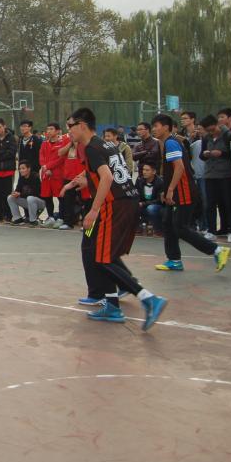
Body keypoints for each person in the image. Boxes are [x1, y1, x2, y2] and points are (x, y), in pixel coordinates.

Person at [62, 108, 168, 329]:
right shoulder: (105, 144)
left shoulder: (91, 147)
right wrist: (79, 182)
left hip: (115, 205)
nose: (68, 130)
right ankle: (112, 305)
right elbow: (107, 173)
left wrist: (93, 210)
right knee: (100, 253)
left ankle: (148, 298)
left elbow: (107, 177)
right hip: (126, 201)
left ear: (82, 125)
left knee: (102, 258)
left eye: (70, 126)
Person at [150, 114, 231, 273]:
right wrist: (167, 189)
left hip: (183, 192)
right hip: (177, 191)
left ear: (166, 127)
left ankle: (217, 250)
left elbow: (179, 167)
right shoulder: (167, 142)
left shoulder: (171, 143)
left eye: (156, 126)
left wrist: (171, 189)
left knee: (180, 227)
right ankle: (174, 260)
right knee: (168, 222)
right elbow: (170, 170)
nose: (153, 129)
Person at [200, 114, 231, 241]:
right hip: (210, 175)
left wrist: (221, 153)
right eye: (208, 131)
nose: (211, 132)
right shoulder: (206, 138)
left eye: (213, 129)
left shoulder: (228, 136)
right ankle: (211, 230)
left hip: (226, 174)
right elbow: (201, 156)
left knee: (228, 203)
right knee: (210, 204)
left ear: (217, 124)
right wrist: (205, 154)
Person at [38, 122, 66, 227]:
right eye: (47, 129)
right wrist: (44, 167)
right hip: (46, 174)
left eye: (51, 129)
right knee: (47, 196)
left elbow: (61, 159)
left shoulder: (62, 143)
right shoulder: (44, 143)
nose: (48, 131)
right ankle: (50, 217)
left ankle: (61, 218)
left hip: (57, 174)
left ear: (58, 131)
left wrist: (49, 167)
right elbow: (41, 156)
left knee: (60, 197)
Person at [7, 161, 45, 225]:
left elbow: (36, 193)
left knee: (30, 198)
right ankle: (18, 218)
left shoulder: (35, 177)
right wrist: (15, 193)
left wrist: (20, 194)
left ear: (29, 169)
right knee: (10, 197)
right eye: (20, 169)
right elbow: (18, 190)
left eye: (23, 168)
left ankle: (33, 220)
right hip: (29, 202)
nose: (21, 170)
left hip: (40, 202)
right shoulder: (21, 178)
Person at [136, 163, 165, 236]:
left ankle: (158, 229)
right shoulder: (139, 181)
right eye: (143, 170)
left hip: (157, 205)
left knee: (151, 208)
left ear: (154, 172)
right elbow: (136, 195)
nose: (144, 172)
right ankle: (138, 227)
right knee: (132, 206)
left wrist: (143, 204)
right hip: (143, 204)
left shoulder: (160, 182)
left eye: (147, 170)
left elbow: (159, 200)